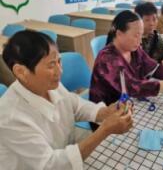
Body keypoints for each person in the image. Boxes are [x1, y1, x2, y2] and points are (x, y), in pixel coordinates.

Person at [0, 30, 133, 169]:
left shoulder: (48, 85)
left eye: (59, 61)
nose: (60, 71)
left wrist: (106, 112)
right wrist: (104, 130)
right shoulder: (10, 118)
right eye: (51, 65)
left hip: (63, 151)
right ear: (21, 72)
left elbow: (76, 106)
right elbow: (51, 165)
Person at [89, 10, 163, 107]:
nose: (140, 41)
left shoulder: (134, 50)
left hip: (128, 103)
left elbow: (155, 68)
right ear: (119, 34)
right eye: (136, 36)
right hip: (105, 111)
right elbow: (132, 87)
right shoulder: (107, 58)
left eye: (141, 35)